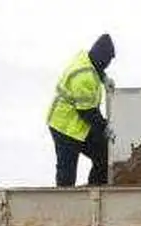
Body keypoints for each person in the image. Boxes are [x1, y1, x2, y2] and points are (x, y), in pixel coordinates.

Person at [47, 34, 116, 187]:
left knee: (104, 155)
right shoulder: (84, 77)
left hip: (79, 124)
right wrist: (105, 127)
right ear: (101, 58)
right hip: (64, 127)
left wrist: (103, 77)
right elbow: (88, 113)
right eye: (107, 62)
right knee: (67, 171)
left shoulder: (86, 56)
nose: (107, 65)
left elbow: (95, 67)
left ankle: (95, 193)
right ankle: (65, 203)